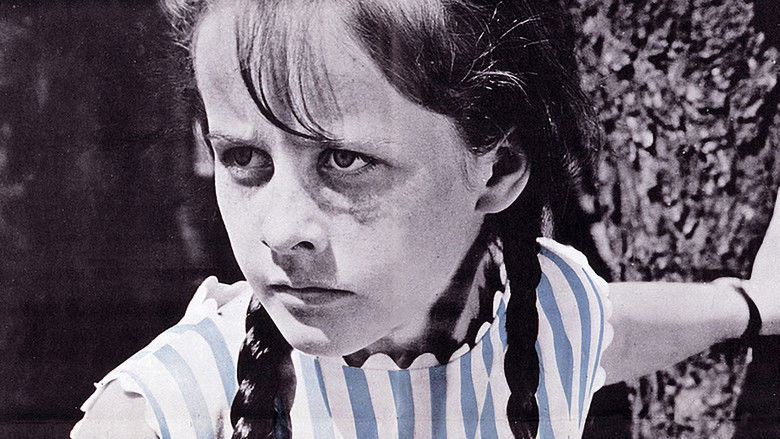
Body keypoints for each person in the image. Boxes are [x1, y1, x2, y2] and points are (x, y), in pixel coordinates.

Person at [71, 0, 780, 438]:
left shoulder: (546, 310)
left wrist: (753, 304)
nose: (281, 231)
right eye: (244, 158)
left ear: (496, 170)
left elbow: (614, 327)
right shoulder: (165, 409)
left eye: (344, 160)